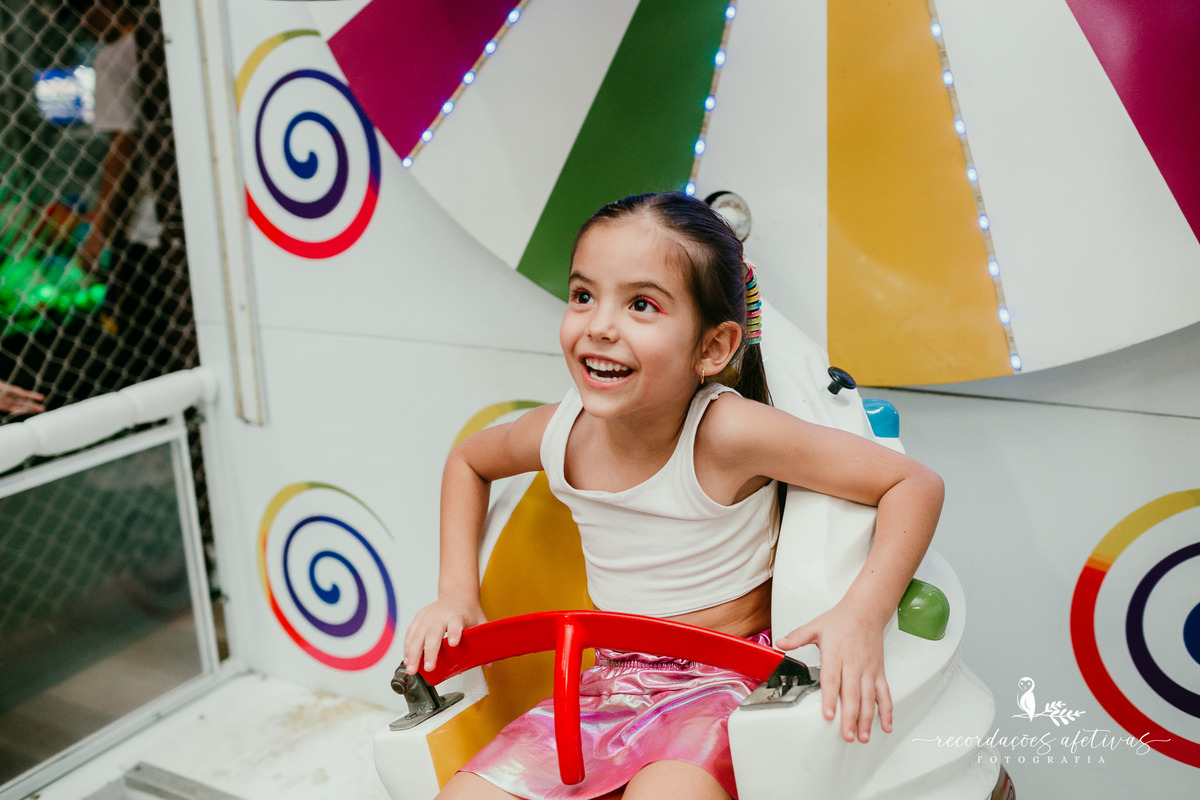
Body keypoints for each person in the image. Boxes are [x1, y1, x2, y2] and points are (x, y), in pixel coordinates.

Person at [403, 192, 945, 800]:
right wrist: (455, 594)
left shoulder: (726, 434)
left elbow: (913, 483)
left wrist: (861, 615)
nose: (599, 325)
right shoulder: (561, 433)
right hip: (605, 685)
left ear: (712, 348)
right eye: (583, 295)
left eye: (641, 305)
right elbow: (468, 461)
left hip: (727, 683)